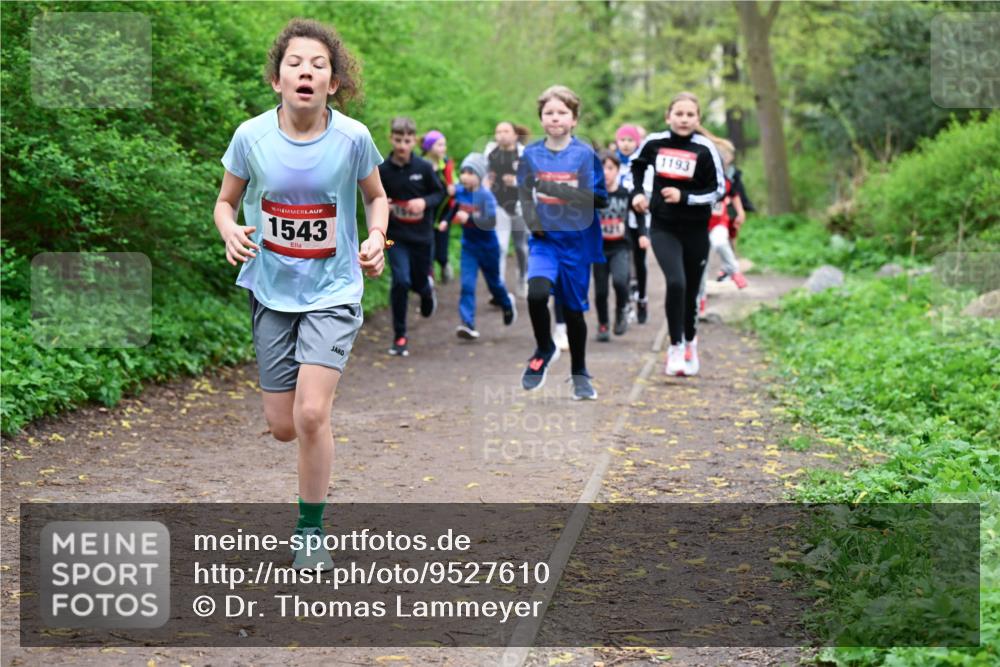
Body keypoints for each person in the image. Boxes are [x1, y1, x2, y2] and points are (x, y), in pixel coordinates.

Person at [214, 18, 387, 570]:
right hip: (270, 290)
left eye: (318, 65)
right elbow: (225, 202)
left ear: (333, 83)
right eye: (295, 64)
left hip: (334, 290)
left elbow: (376, 198)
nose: (306, 72)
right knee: (283, 426)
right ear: (277, 79)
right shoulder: (251, 136)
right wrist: (231, 230)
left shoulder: (353, 138)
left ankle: (311, 531)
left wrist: (376, 236)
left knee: (312, 414)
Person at [517, 85, 608, 399]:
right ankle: (544, 347)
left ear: (574, 119)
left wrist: (562, 191)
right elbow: (523, 195)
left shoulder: (585, 155)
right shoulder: (531, 154)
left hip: (577, 243)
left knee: (573, 312)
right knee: (536, 293)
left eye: (562, 113)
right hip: (545, 241)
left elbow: (600, 199)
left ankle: (580, 373)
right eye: (549, 113)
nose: (555, 118)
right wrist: (533, 221)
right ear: (541, 119)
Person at [630, 91, 724, 377]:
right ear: (668, 116)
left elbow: (717, 190)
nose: (684, 119)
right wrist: (636, 193)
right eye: (679, 114)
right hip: (663, 226)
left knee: (692, 290)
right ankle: (674, 347)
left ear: (698, 119)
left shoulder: (705, 149)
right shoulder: (654, 142)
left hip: (696, 229)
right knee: (676, 282)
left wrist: (684, 196)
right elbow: (636, 165)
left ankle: (690, 343)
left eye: (690, 115)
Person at [379, 117, 446, 357]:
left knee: (417, 282)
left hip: (422, 236)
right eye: (398, 140)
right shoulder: (382, 170)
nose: (402, 145)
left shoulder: (424, 168)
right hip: (394, 237)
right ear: (391, 139)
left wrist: (424, 202)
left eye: (407, 141)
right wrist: (381, 204)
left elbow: (440, 193)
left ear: (414, 141)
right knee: (400, 280)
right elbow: (374, 197)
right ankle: (400, 335)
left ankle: (427, 292)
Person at [448, 153, 517, 340]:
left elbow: (490, 221)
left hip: (488, 248)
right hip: (469, 247)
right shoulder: (460, 192)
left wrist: (469, 218)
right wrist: (445, 221)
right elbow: (451, 206)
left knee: (494, 284)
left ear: (479, 175)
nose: (466, 176)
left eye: (471, 172)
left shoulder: (486, 197)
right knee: (467, 285)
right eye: (463, 171)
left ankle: (506, 302)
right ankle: (467, 324)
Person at [594, 151, 648, 341]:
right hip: (599, 248)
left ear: (617, 170)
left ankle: (620, 313)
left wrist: (642, 234)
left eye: (610, 168)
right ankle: (602, 323)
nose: (606, 173)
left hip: (621, 247)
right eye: (601, 168)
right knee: (600, 290)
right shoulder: (593, 195)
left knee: (619, 281)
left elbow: (640, 214)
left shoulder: (626, 194)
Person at [486, 121, 530, 297]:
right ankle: (499, 288)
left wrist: (516, 181)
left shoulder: (524, 154)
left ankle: (523, 278)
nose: (502, 134)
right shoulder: (491, 154)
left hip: (520, 206)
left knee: (521, 247)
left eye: (506, 131)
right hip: (499, 205)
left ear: (515, 134)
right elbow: (485, 175)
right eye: (498, 131)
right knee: (501, 246)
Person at [616, 124, 650, 324]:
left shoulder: (643, 163)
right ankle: (627, 302)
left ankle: (642, 299)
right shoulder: (612, 163)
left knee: (639, 262)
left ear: (636, 142)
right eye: (623, 140)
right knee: (624, 263)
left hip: (639, 220)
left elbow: (647, 190)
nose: (626, 144)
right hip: (618, 221)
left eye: (630, 140)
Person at [422, 130, 457, 284]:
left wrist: (453, 187)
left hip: (443, 213)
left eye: (444, 145)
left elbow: (455, 182)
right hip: (426, 214)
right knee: (428, 250)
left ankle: (444, 264)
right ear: (429, 147)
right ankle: (428, 280)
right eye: (440, 145)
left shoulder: (447, 164)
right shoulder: (421, 164)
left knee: (441, 252)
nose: (444, 148)